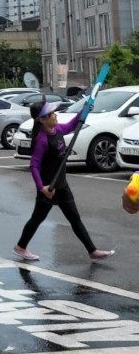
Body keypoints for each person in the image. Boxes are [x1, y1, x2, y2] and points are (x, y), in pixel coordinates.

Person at [14, 101, 113, 262]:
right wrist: (42, 188)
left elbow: (72, 125)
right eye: (51, 114)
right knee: (37, 219)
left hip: (62, 185)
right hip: (49, 188)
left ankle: (92, 251)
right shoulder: (42, 140)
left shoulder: (58, 129)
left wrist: (84, 110)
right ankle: (20, 247)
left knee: (75, 218)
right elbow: (34, 165)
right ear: (42, 119)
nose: (55, 115)